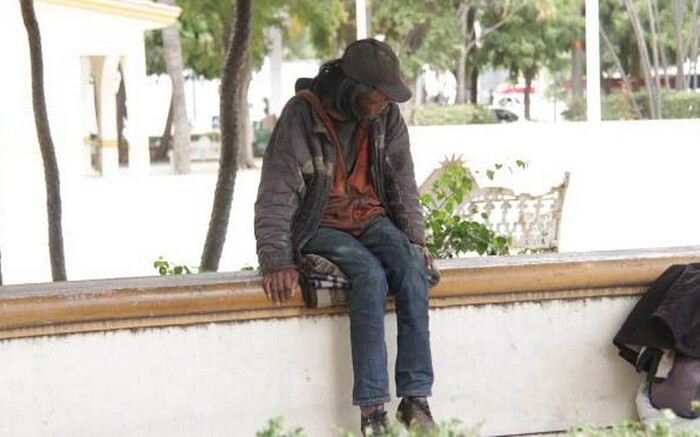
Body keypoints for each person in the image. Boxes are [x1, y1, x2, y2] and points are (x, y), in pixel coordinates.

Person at [254, 38, 435, 436]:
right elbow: (276, 193)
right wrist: (277, 260)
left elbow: (402, 182)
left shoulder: (386, 117)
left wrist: (416, 242)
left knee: (409, 265)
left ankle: (416, 399)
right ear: (353, 89)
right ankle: (373, 412)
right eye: (378, 95)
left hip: (369, 216)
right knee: (368, 274)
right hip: (319, 222)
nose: (386, 103)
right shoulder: (302, 115)